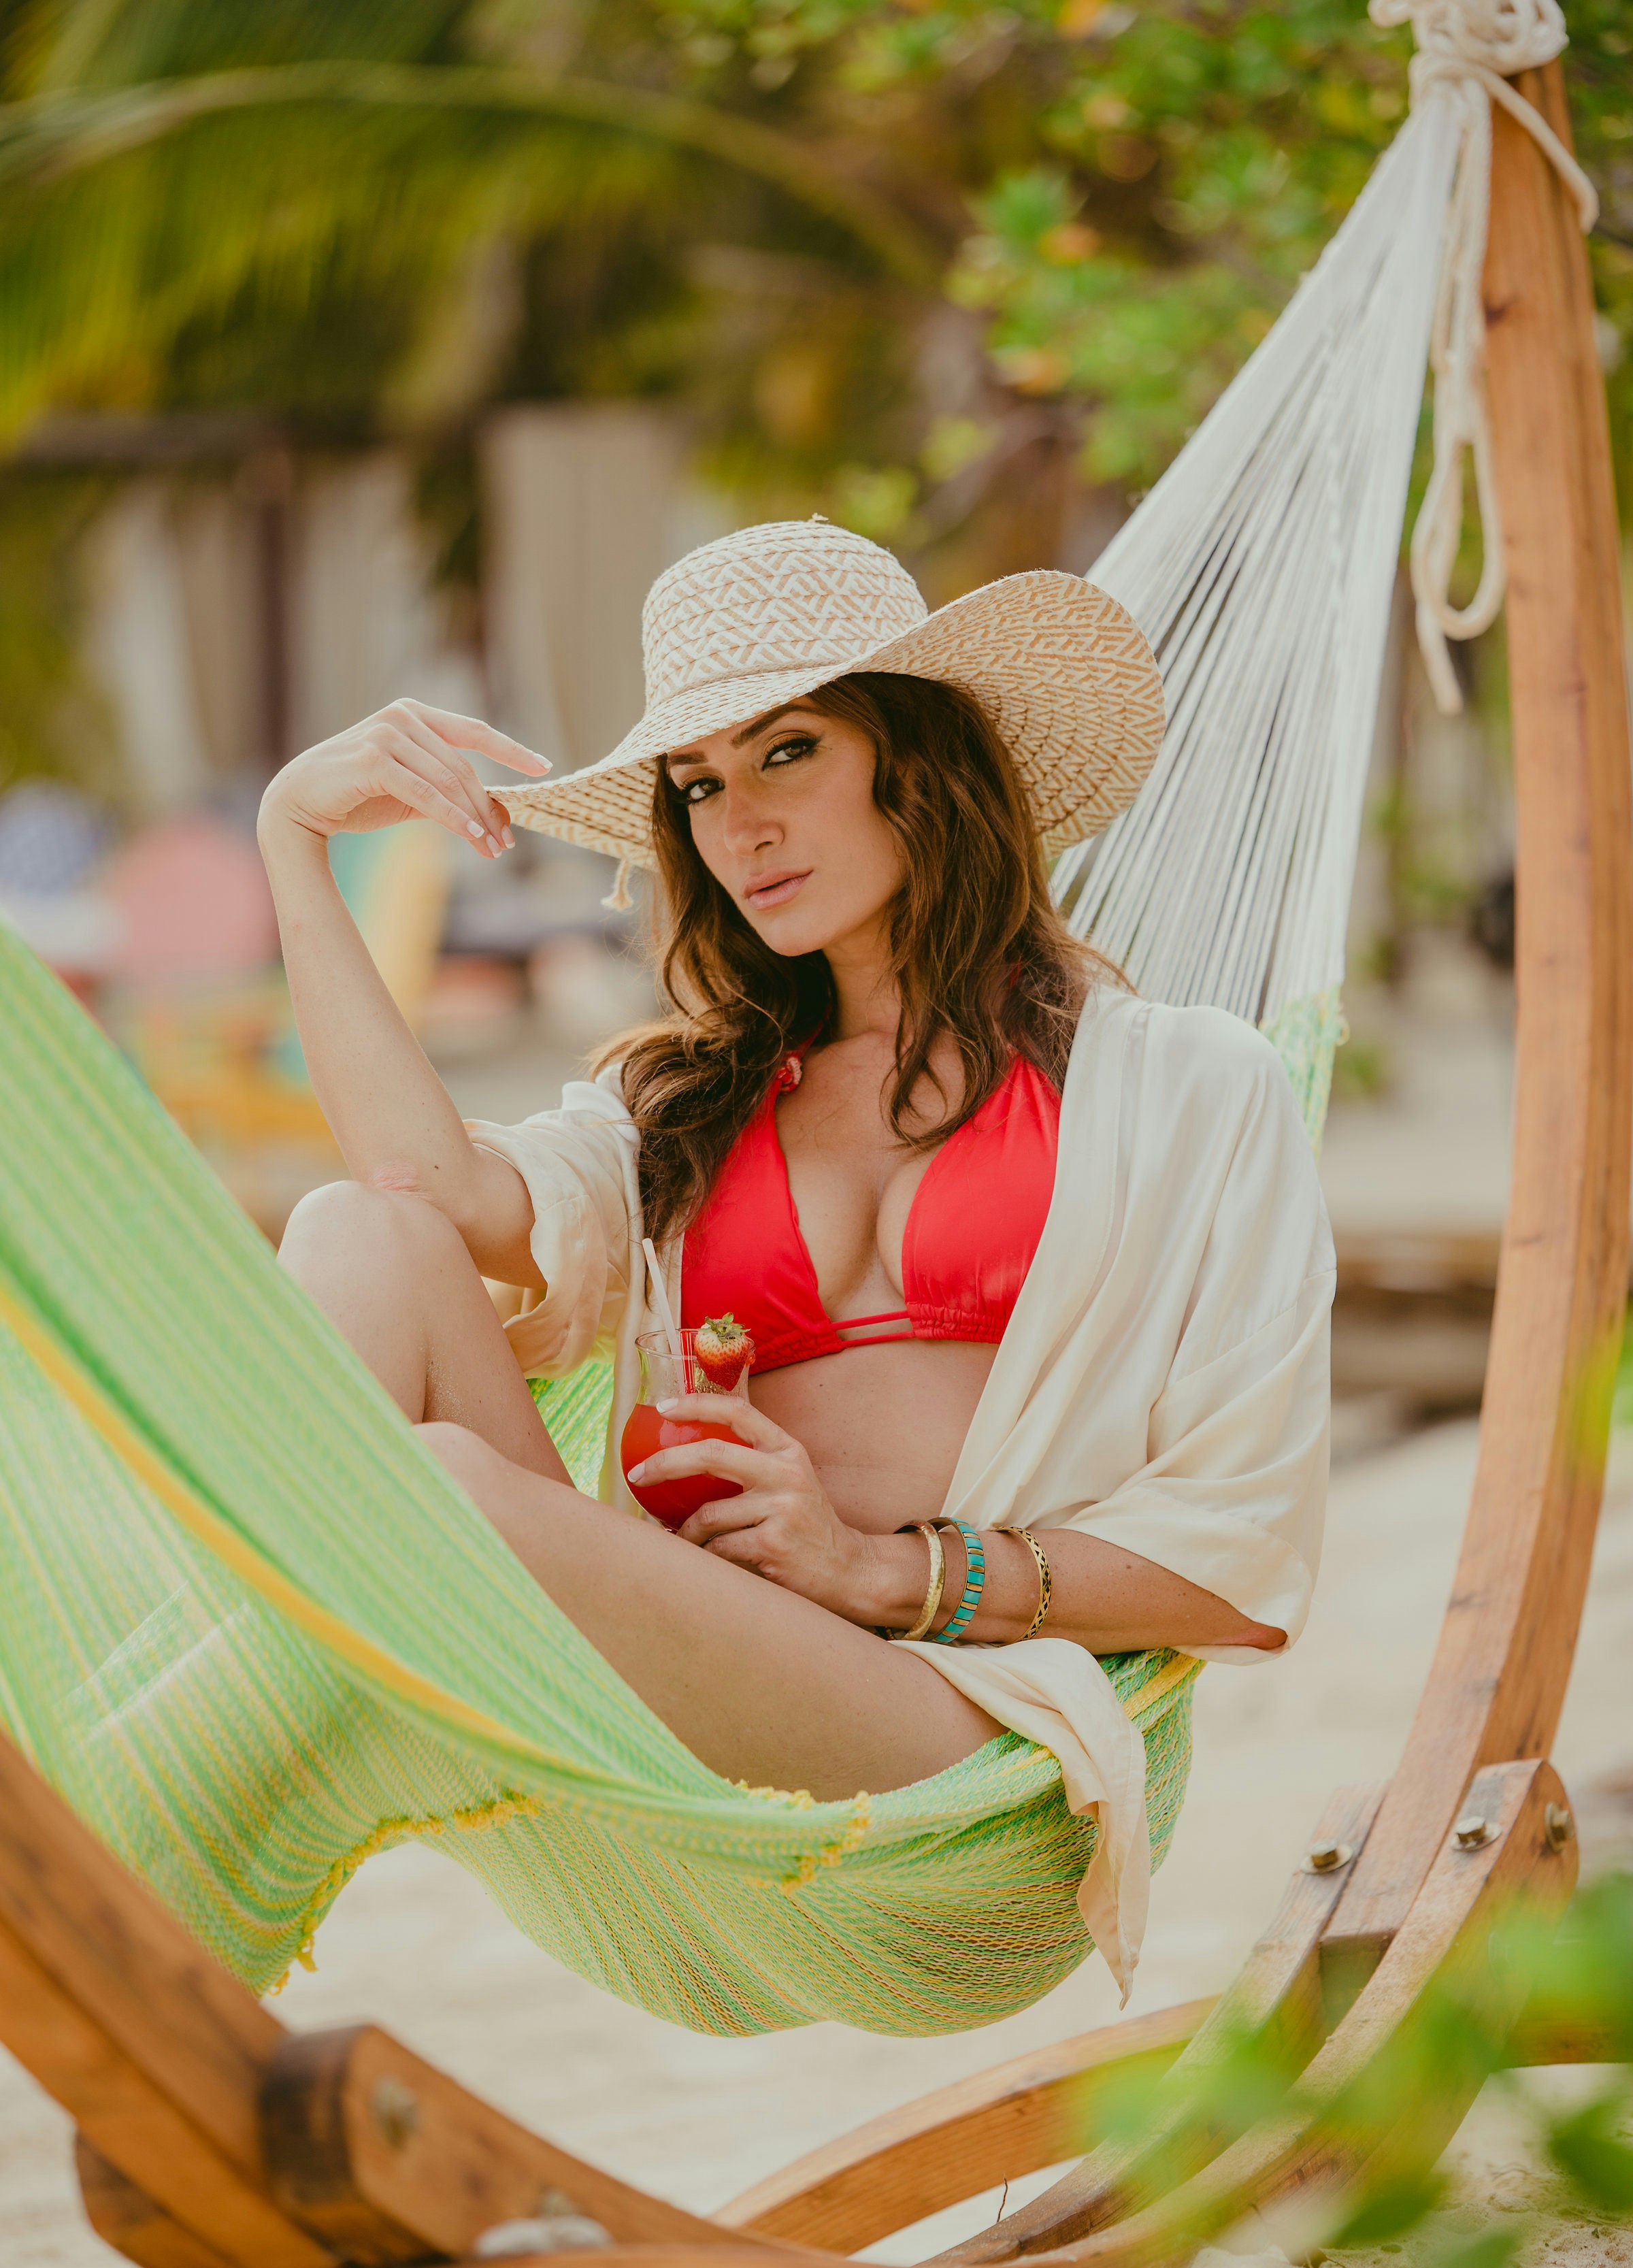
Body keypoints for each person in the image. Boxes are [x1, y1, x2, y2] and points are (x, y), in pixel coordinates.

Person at [259, 519, 1333, 1986]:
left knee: (437, 1497)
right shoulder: (685, 1107)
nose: (739, 826)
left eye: (787, 754)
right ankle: (161, 1811)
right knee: (351, 1231)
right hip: (680, 1696)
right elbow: (413, 1184)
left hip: (957, 1756)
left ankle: (160, 1803)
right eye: (698, 786)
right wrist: (292, 842)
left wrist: (878, 1570)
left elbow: (1247, 1564)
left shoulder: (1189, 1088)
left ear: (919, 757)